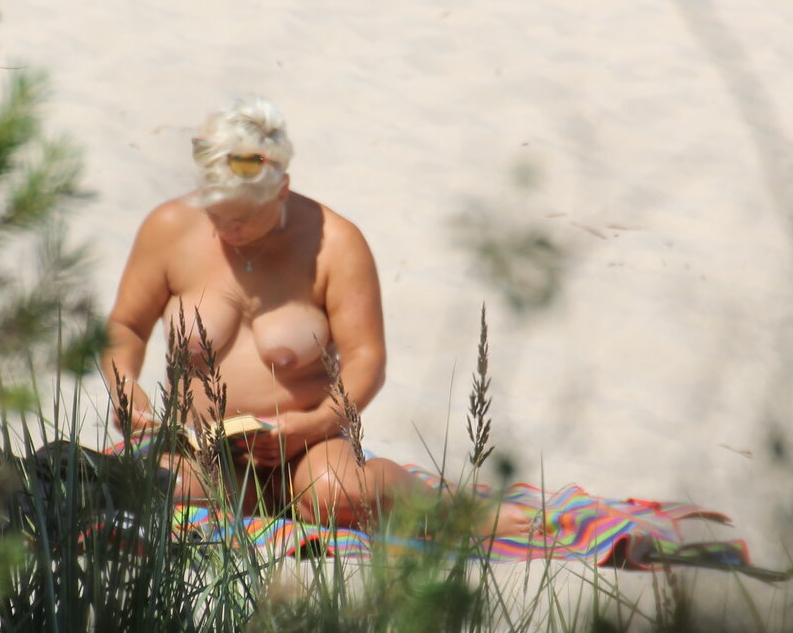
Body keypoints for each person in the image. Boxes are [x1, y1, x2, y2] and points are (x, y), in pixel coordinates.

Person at [101, 96, 513, 533]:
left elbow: (366, 359)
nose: (225, 228)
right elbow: (126, 325)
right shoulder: (169, 228)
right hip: (202, 448)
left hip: (309, 446)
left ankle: (447, 508)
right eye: (214, 211)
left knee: (337, 494)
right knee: (156, 491)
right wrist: (124, 386)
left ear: (281, 189)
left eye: (241, 217)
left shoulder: (335, 242)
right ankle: (258, 498)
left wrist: (315, 424)